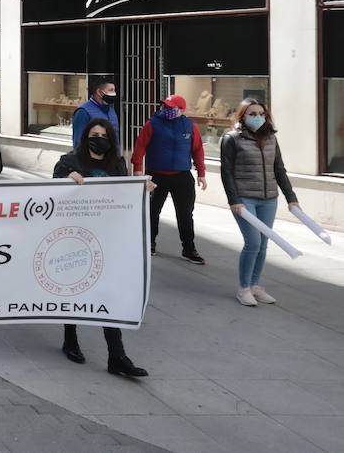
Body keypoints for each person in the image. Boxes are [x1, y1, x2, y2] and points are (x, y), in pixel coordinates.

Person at [53, 119, 150, 378]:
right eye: (94, 134)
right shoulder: (71, 160)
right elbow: (53, 184)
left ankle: (116, 356)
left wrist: (142, 190)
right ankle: (70, 338)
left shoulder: (116, 163)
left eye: (103, 135)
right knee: (75, 288)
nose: (99, 138)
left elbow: (124, 194)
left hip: (107, 236)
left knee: (108, 293)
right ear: (86, 137)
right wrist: (66, 176)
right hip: (77, 236)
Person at [222, 100, 298, 307]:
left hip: (268, 199)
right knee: (253, 242)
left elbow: (279, 169)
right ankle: (244, 288)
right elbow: (226, 172)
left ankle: (255, 285)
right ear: (242, 116)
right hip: (244, 199)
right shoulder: (231, 138)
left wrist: (291, 197)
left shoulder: (271, 137)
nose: (257, 116)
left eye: (260, 113)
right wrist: (234, 200)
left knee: (263, 244)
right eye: (252, 113)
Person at [131, 95, 206, 264]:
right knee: (152, 211)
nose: (167, 110)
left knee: (185, 214)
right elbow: (140, 147)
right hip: (156, 175)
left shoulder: (190, 126)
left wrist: (201, 172)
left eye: (171, 107)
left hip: (182, 176)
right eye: (165, 106)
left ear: (181, 110)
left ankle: (189, 248)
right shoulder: (152, 124)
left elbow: (198, 150)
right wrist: (138, 171)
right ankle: (149, 243)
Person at [70, 78, 118, 148]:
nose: (114, 93)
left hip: (112, 156)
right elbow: (78, 142)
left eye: (114, 90)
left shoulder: (110, 109)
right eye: (111, 90)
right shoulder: (83, 112)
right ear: (99, 92)